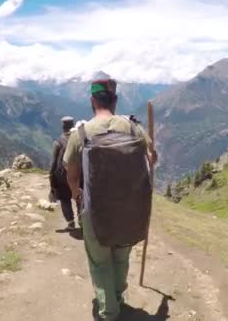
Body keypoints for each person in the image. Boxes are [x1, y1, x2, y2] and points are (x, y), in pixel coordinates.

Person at [63, 78, 157, 321]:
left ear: (92, 101)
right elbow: (151, 157)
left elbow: (71, 174)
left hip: (95, 211)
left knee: (100, 261)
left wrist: (77, 195)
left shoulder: (80, 134)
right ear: (115, 99)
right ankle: (118, 295)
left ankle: (109, 311)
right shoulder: (133, 127)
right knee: (121, 257)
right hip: (129, 209)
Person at [49, 116, 78, 230]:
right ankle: (82, 218)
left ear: (62, 126)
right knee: (79, 196)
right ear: (73, 125)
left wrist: (51, 177)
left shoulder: (58, 143)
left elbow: (53, 163)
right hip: (78, 174)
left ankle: (71, 223)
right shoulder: (78, 140)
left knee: (65, 199)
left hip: (62, 176)